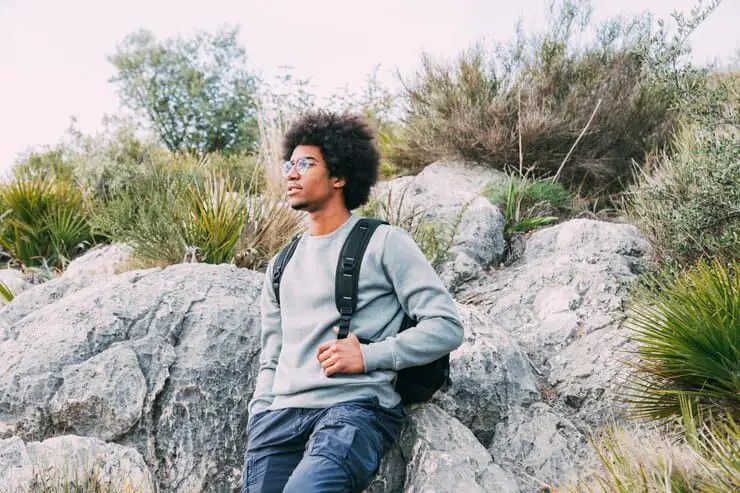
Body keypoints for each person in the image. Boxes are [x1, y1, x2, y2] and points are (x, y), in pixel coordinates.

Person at [241, 110, 464, 493]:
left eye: (306, 164)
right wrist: (259, 412)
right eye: (289, 164)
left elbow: (446, 326)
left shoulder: (385, 243)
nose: (291, 174)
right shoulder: (281, 263)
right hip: (277, 419)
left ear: (340, 176)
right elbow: (272, 353)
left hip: (353, 411)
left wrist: (371, 355)